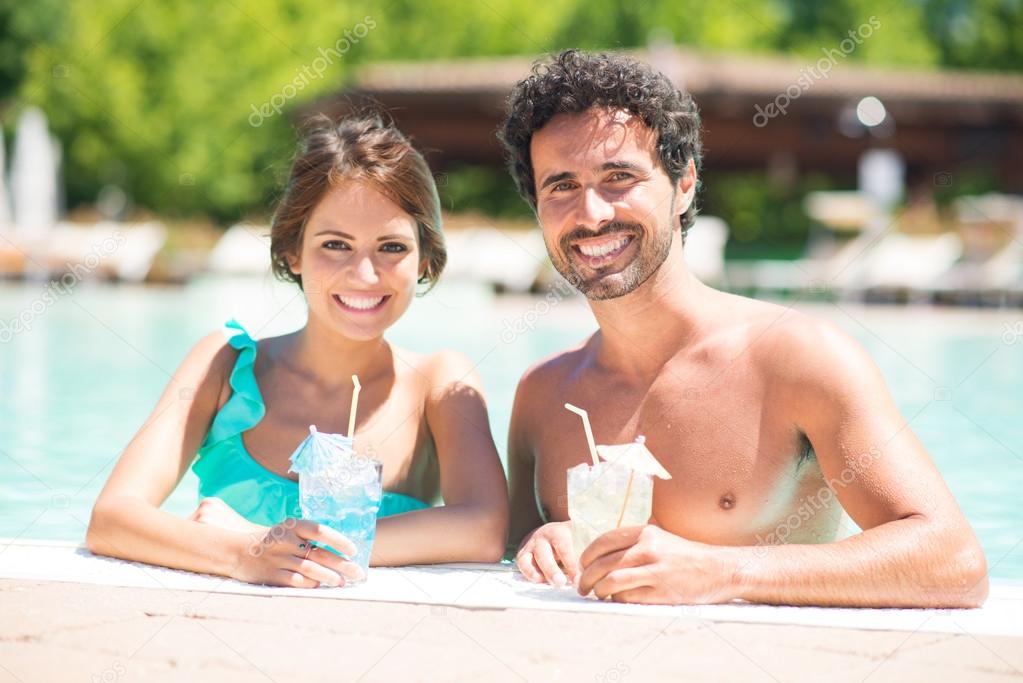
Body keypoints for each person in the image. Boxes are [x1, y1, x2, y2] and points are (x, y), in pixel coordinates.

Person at [499, 50, 988, 607]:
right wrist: (542, 543)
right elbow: (504, 557)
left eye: (619, 177)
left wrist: (725, 572)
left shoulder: (798, 358)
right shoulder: (544, 395)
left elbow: (954, 561)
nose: (591, 214)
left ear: (683, 184)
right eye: (561, 185)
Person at [87, 114, 508, 587]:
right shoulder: (223, 366)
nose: (365, 275)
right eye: (335, 244)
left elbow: (487, 530)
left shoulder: (439, 383)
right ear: (292, 251)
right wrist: (244, 554)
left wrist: (276, 543)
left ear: (424, 259)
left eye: (391, 247)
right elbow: (112, 518)